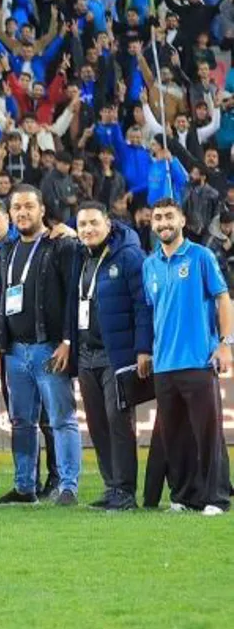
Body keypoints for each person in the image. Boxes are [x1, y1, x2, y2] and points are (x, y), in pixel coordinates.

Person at [0, 185, 83, 505]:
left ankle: (68, 486)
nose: (23, 212)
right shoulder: (7, 252)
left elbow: (74, 296)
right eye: (17, 207)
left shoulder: (60, 246)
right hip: (14, 351)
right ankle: (24, 487)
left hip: (48, 348)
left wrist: (67, 341)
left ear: (42, 210)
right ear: (11, 214)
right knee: (22, 422)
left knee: (61, 419)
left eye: (29, 206)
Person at [142, 199, 233, 515]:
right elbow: (153, 312)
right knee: (175, 436)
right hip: (164, 364)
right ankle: (183, 496)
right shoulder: (149, 265)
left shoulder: (201, 256)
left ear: (182, 220)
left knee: (208, 434)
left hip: (198, 360)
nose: (163, 222)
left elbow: (223, 299)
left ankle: (216, 498)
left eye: (169, 216)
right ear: (152, 224)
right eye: (158, 217)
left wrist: (225, 344)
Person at [69, 201, 152, 511]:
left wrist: (143, 348)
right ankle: (111, 487)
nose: (88, 229)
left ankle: (125, 491)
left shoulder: (129, 256)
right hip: (86, 354)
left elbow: (143, 305)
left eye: (94, 223)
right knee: (97, 425)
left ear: (108, 223)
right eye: (82, 225)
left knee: (118, 423)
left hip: (116, 355)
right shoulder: (80, 257)